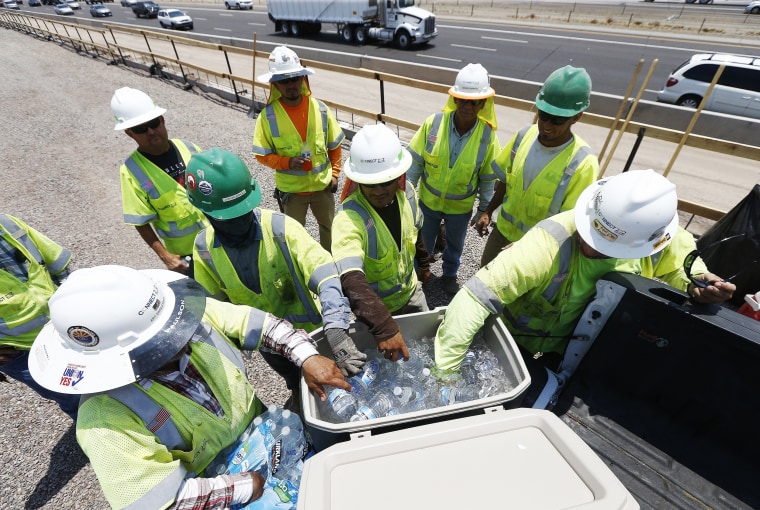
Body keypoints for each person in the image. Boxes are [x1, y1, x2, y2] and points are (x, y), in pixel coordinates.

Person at [28, 265, 350, 510]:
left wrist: (307, 356)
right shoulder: (102, 419)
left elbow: (258, 324)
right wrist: (245, 487)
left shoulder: (181, 317)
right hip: (212, 485)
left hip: (259, 431)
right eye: (160, 345)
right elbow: (163, 501)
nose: (179, 341)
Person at [434, 170, 735, 374]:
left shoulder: (656, 239)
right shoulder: (547, 243)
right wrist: (445, 375)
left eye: (606, 248)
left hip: (579, 346)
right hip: (518, 343)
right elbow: (474, 299)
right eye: (590, 235)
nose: (590, 249)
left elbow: (681, 262)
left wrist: (695, 283)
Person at [185, 148, 365, 402]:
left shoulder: (280, 228)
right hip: (269, 345)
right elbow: (215, 310)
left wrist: (336, 326)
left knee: (337, 384)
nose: (239, 222)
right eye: (229, 218)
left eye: (243, 212)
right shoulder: (204, 250)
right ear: (206, 213)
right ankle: (296, 391)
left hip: (316, 336)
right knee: (297, 383)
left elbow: (325, 272)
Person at [477, 65, 599, 268]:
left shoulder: (583, 163)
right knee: (483, 279)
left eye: (557, 120)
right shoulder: (524, 136)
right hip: (503, 233)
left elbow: (570, 222)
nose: (547, 125)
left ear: (577, 117)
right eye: (543, 115)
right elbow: (506, 180)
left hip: (539, 249)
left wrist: (528, 247)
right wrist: (488, 211)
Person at [332, 124, 431, 362]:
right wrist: (384, 327)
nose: (378, 191)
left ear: (398, 176)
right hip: (374, 312)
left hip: (411, 295)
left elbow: (415, 231)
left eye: (385, 182)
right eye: (370, 184)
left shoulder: (407, 193)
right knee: (384, 363)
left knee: (425, 352)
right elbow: (351, 278)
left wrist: (424, 263)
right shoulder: (349, 219)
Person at [407, 63, 500, 294]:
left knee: (456, 244)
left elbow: (488, 180)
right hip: (428, 202)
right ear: (454, 99)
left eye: (474, 101)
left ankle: (449, 274)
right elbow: (415, 163)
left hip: (460, 208)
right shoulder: (434, 124)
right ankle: (420, 271)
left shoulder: (487, 137)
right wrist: (407, 198)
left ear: (483, 103)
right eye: (462, 99)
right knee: (422, 240)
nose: (468, 106)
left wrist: (483, 211)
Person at [252, 46, 345, 252]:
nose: (291, 85)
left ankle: (330, 265)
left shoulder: (320, 109)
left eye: (295, 78)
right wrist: (287, 162)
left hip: (322, 187)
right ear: (275, 84)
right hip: (292, 192)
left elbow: (334, 146)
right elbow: (262, 155)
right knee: (294, 234)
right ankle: (302, 268)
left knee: (329, 228)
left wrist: (336, 174)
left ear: (303, 79)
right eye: (284, 81)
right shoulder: (268, 117)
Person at [111, 87, 208, 276]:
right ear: (129, 133)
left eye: (154, 123)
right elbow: (140, 221)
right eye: (141, 129)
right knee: (209, 301)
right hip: (187, 255)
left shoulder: (189, 148)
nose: (151, 132)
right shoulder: (132, 171)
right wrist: (164, 255)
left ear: (162, 120)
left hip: (220, 238)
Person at [0, 214, 79, 419]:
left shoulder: (7, 224)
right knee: (73, 398)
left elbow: (57, 264)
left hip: (65, 327)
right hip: (21, 352)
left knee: (104, 379)